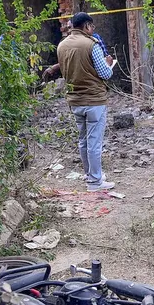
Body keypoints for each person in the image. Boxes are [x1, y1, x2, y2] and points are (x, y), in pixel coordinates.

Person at [55, 12, 116, 191]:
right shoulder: (92, 45)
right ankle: (95, 182)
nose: (92, 30)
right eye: (92, 27)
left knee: (83, 141)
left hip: (75, 100)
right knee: (95, 142)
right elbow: (105, 73)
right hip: (94, 100)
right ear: (87, 26)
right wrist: (109, 64)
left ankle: (90, 175)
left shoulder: (62, 45)